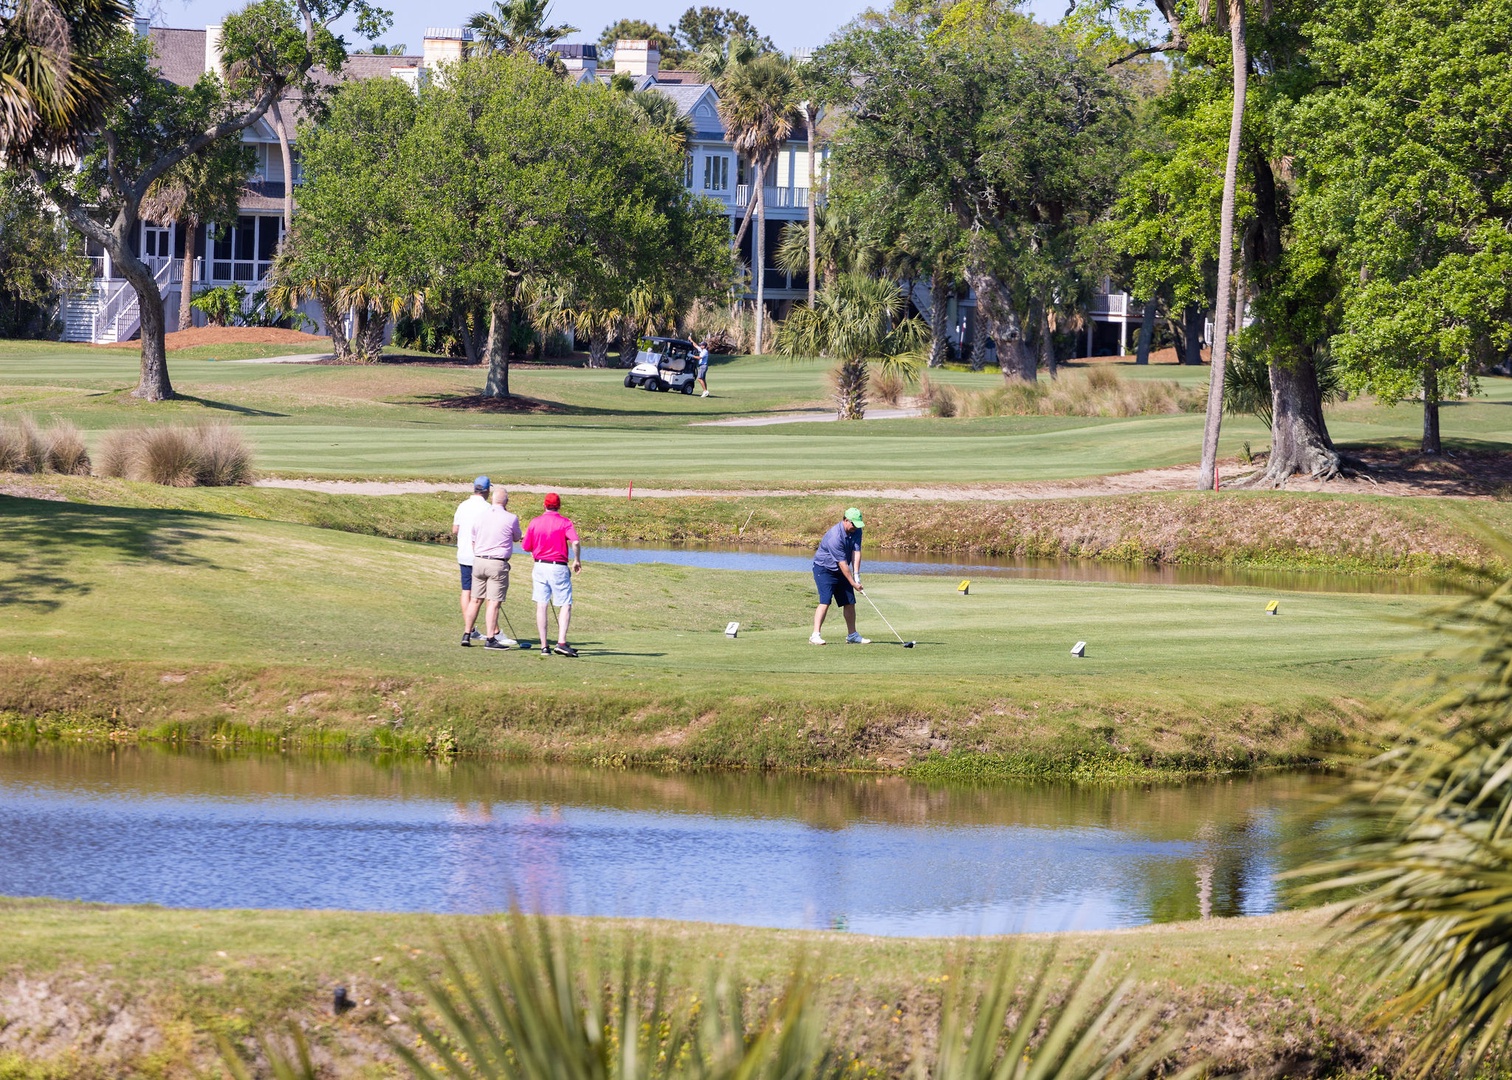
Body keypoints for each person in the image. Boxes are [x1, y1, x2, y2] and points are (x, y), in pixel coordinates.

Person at [522, 492, 581, 657]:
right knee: (565, 603)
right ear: (559, 506)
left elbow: (526, 547)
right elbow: (575, 541)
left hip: (540, 566)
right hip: (558, 566)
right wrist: (577, 560)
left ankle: (544, 646)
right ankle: (561, 642)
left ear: (544, 505)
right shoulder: (565, 522)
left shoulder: (535, 522)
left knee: (542, 605)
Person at [470, 486, 523, 650]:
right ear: (506, 501)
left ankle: (466, 634)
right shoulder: (511, 518)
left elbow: (473, 540)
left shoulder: (480, 516)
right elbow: (517, 537)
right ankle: (491, 638)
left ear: (492, 499)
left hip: (478, 561)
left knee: (475, 599)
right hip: (497, 563)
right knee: (493, 602)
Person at [810, 508, 869, 645]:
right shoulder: (835, 537)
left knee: (849, 602)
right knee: (825, 601)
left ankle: (852, 635)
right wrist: (853, 583)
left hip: (841, 570)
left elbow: (856, 552)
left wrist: (857, 576)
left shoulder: (856, 530)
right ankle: (815, 635)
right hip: (824, 569)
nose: (855, 527)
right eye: (853, 524)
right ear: (846, 520)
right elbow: (842, 563)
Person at [452, 476, 492, 644]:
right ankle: (492, 631)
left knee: (466, 590)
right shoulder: (488, 508)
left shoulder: (463, 505)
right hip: (480, 556)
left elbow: (455, 530)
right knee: (486, 594)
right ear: (487, 491)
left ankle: (470, 629)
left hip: (464, 554)